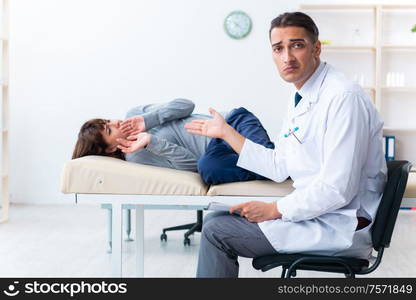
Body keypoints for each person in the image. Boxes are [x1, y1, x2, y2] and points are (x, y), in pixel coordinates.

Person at [185, 12, 387, 277]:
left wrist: (274, 209)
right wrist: (226, 133)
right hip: (318, 216)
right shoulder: (301, 95)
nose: (287, 57)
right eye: (278, 48)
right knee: (216, 220)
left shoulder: (342, 98)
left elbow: (337, 189)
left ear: (316, 48)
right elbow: (280, 165)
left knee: (215, 231)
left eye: (297, 45)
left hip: (339, 225)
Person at [72, 98, 275, 185]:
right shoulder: (136, 156)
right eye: (110, 128)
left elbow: (186, 104)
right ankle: (276, 166)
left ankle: (276, 165)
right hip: (216, 150)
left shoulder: (133, 114)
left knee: (269, 163)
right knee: (207, 168)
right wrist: (151, 141)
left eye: (108, 121)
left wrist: (148, 120)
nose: (116, 122)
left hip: (231, 122)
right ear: (109, 149)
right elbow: (192, 164)